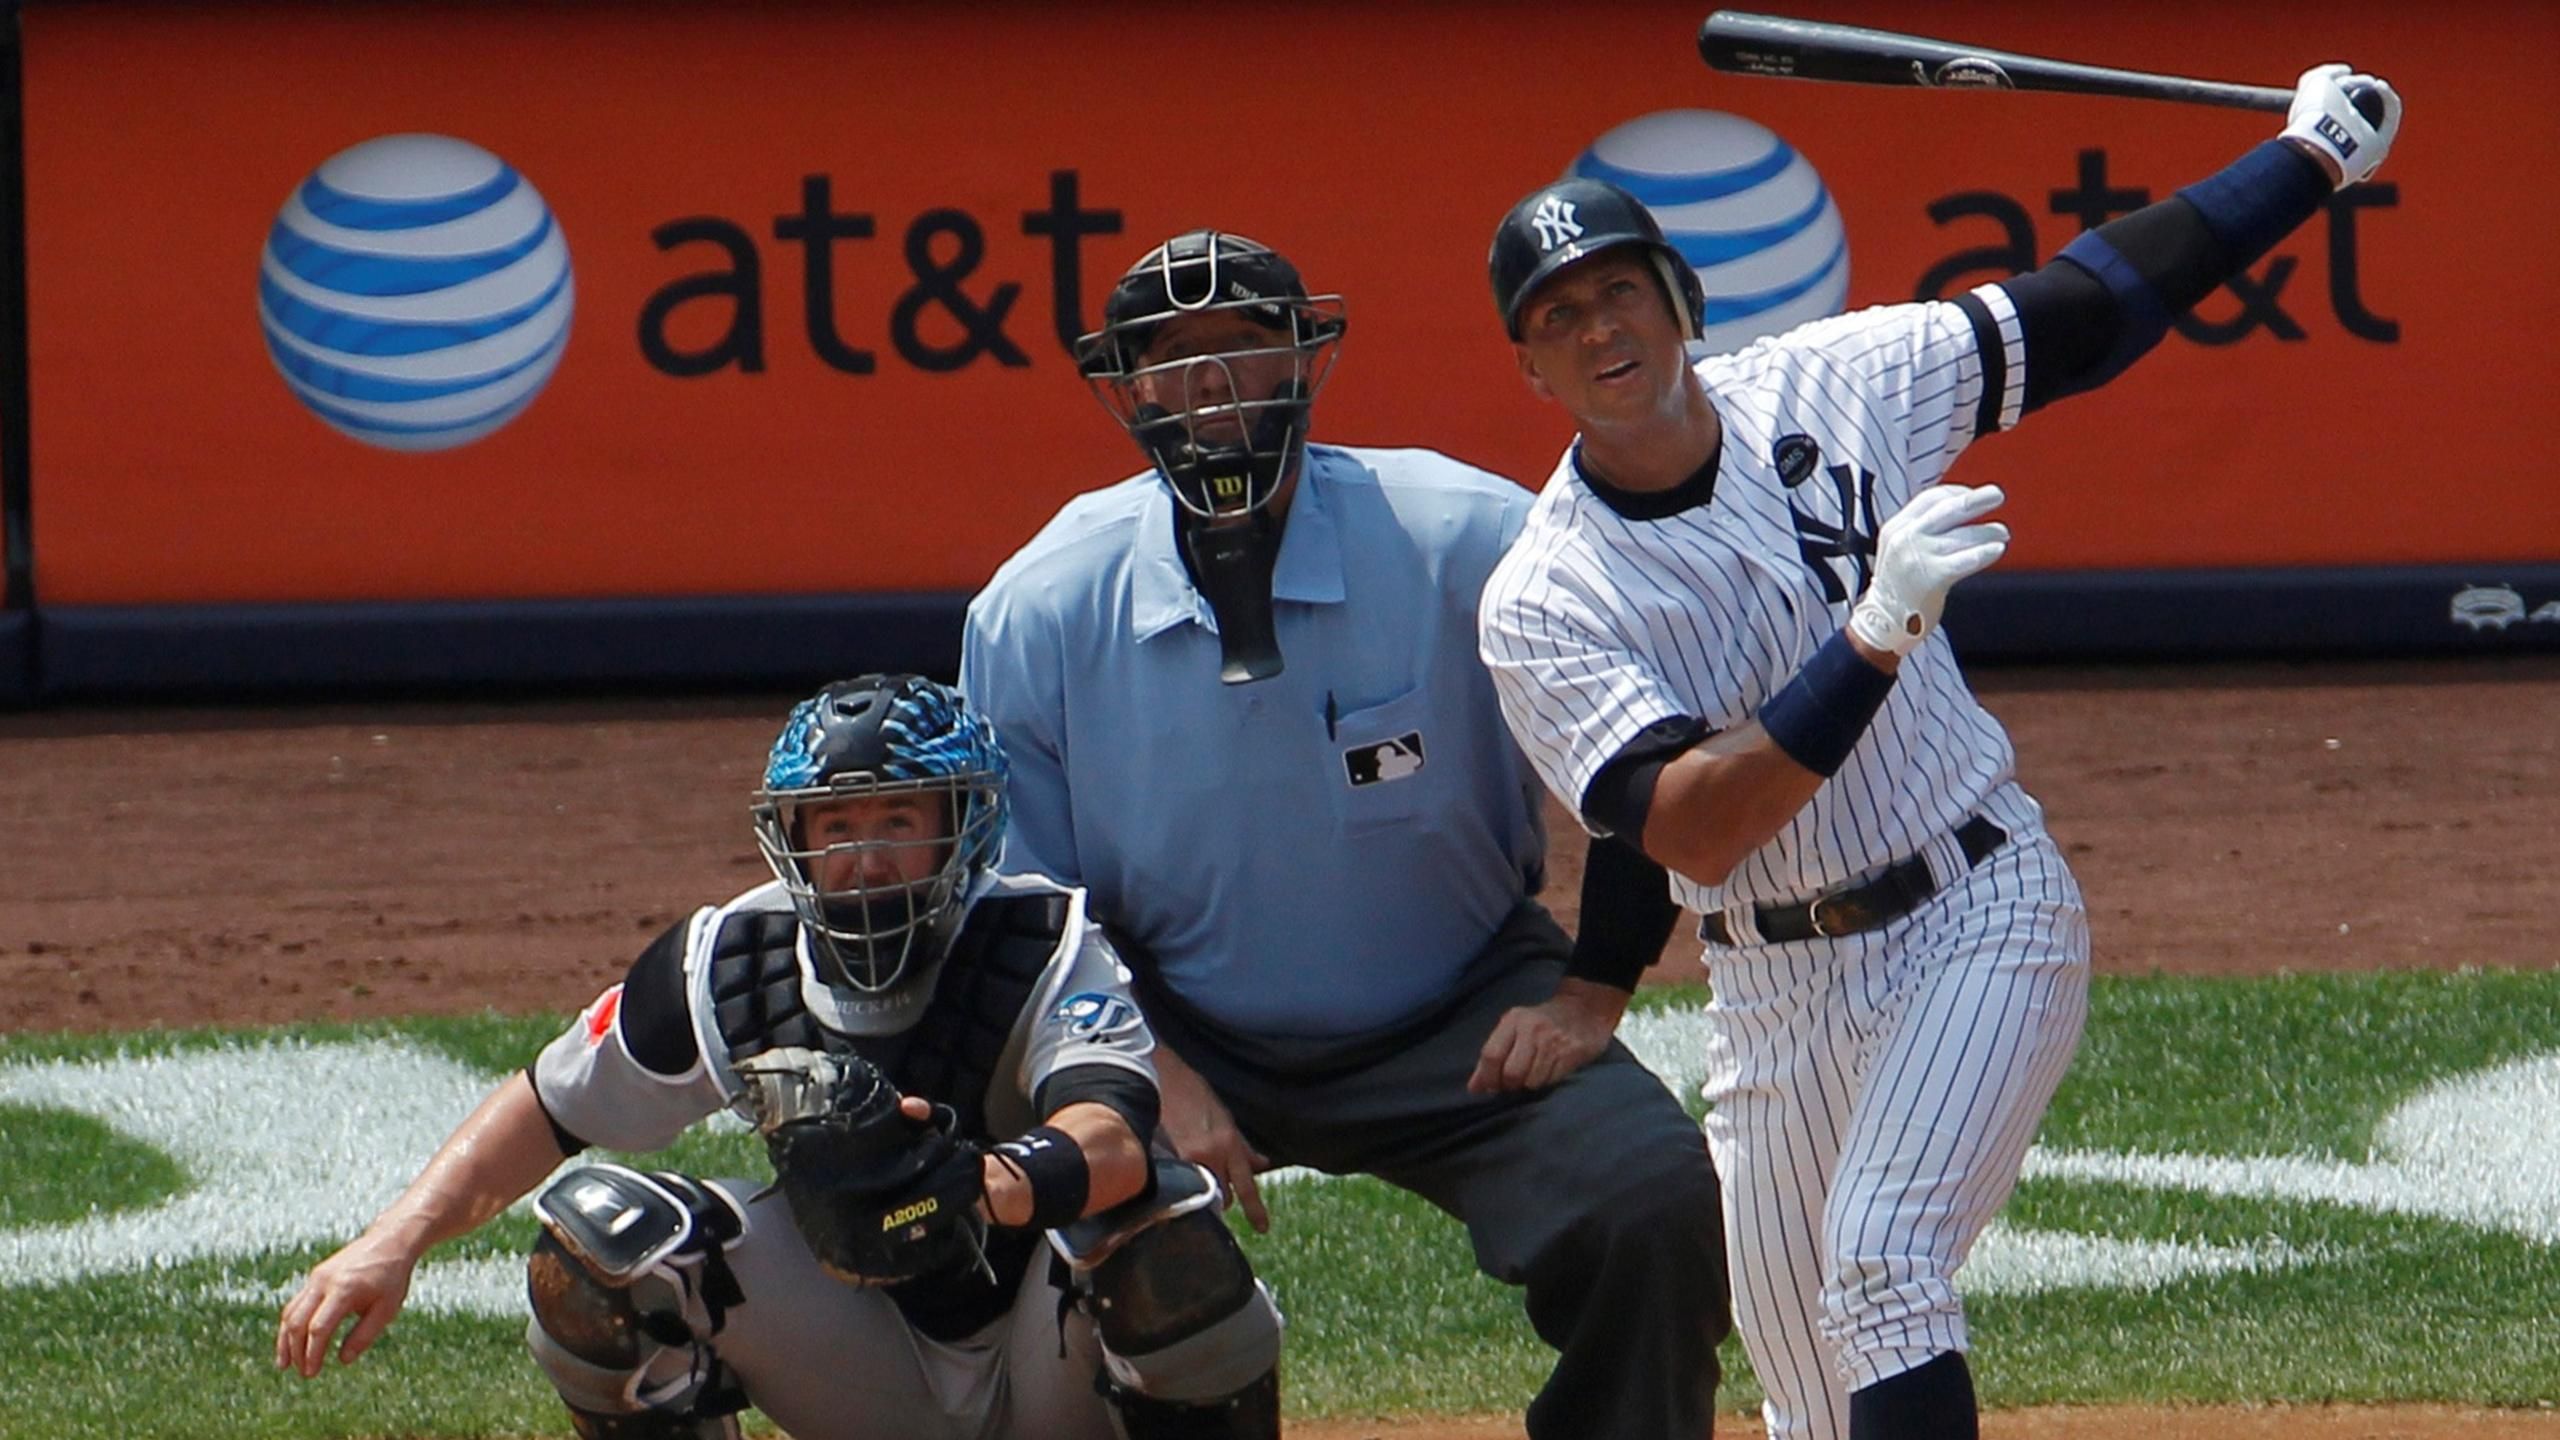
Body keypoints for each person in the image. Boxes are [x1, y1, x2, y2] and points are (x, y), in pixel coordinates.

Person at [1477, 65, 2402, 1440]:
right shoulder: (1548, 595)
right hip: (1769, 989)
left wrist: (2311, 160)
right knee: (1806, 1388)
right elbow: (1689, 828)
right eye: (1557, 317)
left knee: (1883, 1272)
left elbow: (2086, 308)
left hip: (1975, 907)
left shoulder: (1832, 384)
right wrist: (1877, 630)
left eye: (1618, 290)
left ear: (1682, 299)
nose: (1596, 328)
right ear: (1530, 364)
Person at [961, 229, 1729, 1440]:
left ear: (1307, 363)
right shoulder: (1040, 605)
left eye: (1244, 351)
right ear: (1127, 388)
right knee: (1061, 1236)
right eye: (1176, 360)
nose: (1212, 388)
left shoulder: (1468, 538)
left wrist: (1591, 991)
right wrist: (1149, 1070)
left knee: (1650, 1196)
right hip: (1173, 1017)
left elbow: (1632, 762)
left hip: (1461, 1004)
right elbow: (1026, 912)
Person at [274, 674, 1283, 1440]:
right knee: (601, 1242)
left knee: (1163, 1224)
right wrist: (389, 1244)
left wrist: (994, 1181)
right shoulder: (728, 959)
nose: (864, 858)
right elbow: (547, 1107)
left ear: (964, 830)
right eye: (834, 827)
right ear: (791, 839)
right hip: (863, 1353)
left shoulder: (1040, 938)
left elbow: (1111, 1137)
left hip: (1048, 1351)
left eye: (898, 820)